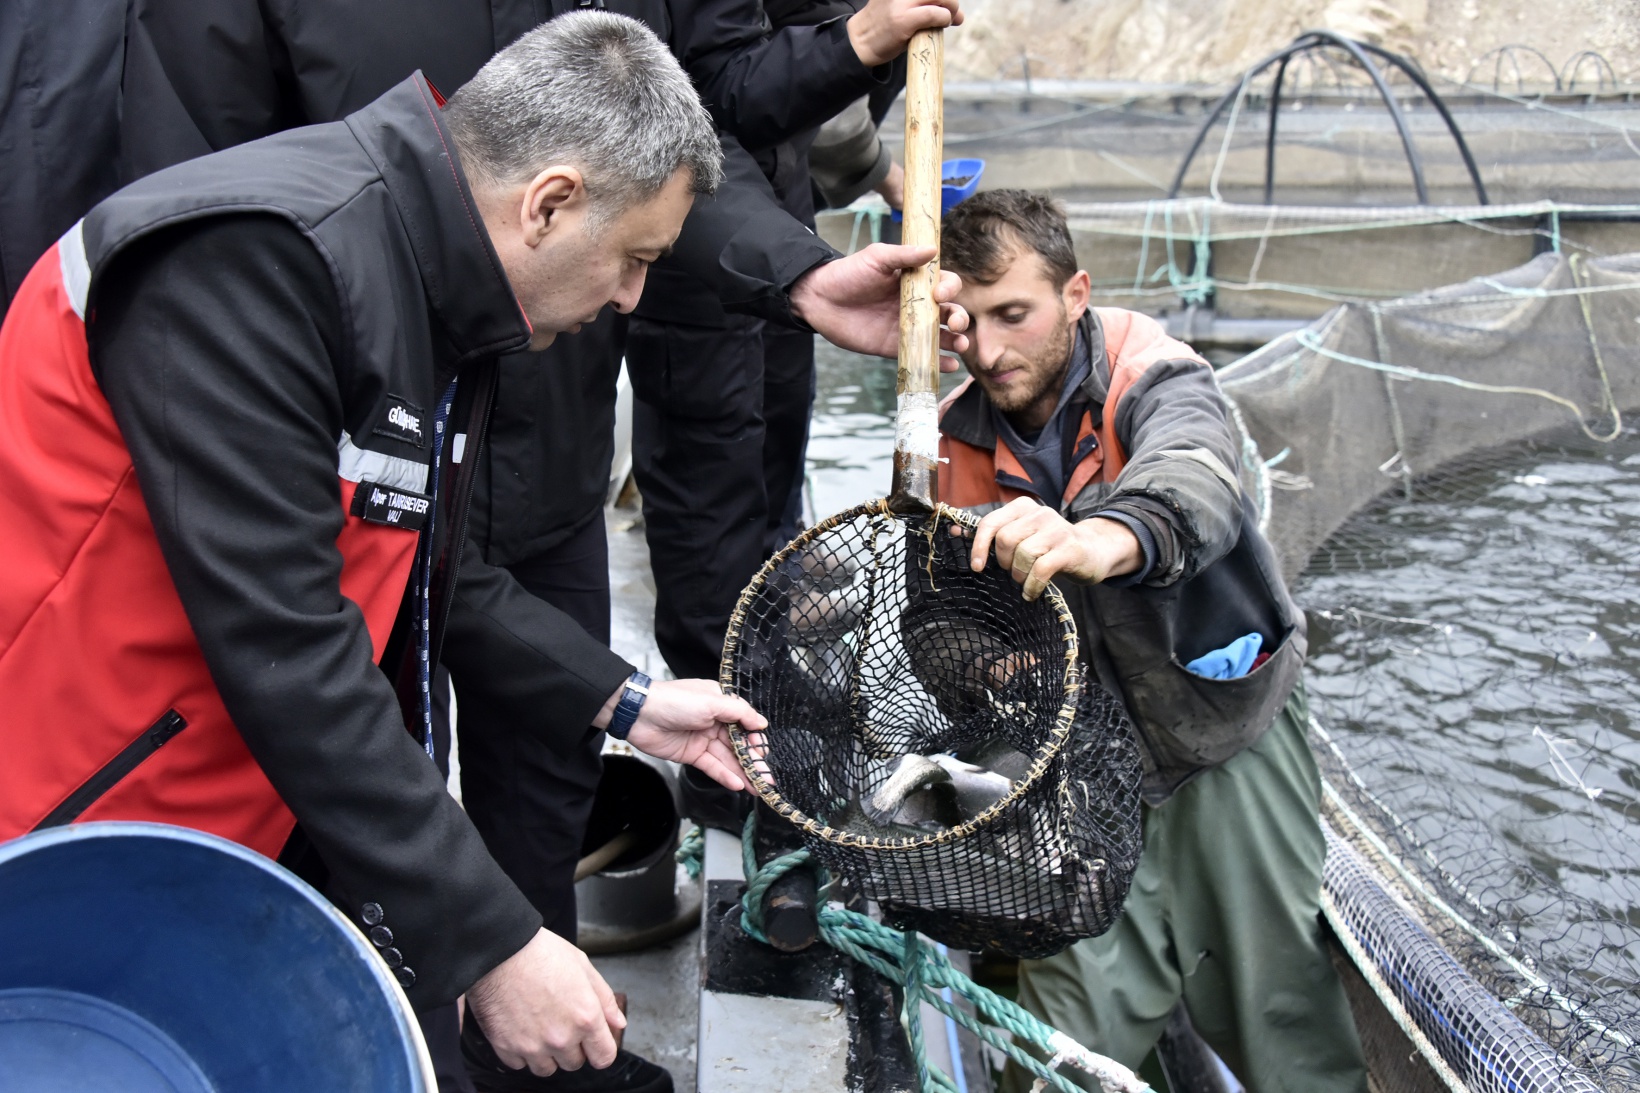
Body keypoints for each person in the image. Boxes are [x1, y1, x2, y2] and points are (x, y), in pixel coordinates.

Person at [0, 14, 967, 1085]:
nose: (631, 299)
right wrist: (494, 943)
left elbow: (423, 567)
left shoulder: (435, 284)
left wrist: (629, 700)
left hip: (254, 805)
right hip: (78, 827)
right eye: (635, 259)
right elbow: (291, 654)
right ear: (549, 201)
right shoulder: (252, 265)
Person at [932, 190, 1369, 1093]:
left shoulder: (1158, 374)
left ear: (1076, 292)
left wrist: (1101, 537)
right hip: (1079, 765)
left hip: (1222, 734)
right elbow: (932, 624)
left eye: (1015, 313)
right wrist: (986, 665)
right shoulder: (948, 436)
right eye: (965, 323)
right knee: (1062, 1037)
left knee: (1277, 1000)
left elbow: (1197, 480)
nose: (990, 348)